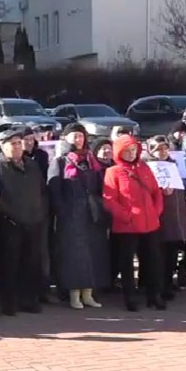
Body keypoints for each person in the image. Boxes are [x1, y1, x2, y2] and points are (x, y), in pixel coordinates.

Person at [48, 123, 108, 310]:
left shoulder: (91, 160)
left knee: (92, 253)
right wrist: (63, 211)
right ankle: (74, 295)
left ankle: (88, 294)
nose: (78, 139)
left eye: (81, 136)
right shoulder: (60, 161)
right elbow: (54, 189)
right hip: (71, 215)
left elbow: (100, 186)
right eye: (74, 136)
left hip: (92, 214)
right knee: (74, 256)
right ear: (66, 138)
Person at [0, 127, 49, 316]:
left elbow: (41, 190)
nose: (16, 147)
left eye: (18, 143)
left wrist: (40, 212)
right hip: (10, 224)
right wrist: (12, 215)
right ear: (2, 146)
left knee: (31, 263)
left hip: (34, 223)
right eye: (12, 144)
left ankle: (29, 300)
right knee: (9, 265)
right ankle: (9, 302)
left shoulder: (31, 165)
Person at [104, 134, 165, 311]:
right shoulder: (113, 172)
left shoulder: (144, 168)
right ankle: (130, 297)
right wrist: (127, 216)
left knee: (153, 261)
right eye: (127, 151)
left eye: (133, 150)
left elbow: (156, 191)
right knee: (127, 264)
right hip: (127, 226)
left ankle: (154, 295)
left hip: (150, 223)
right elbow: (109, 199)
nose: (131, 154)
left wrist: (156, 211)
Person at [147, 137, 186, 303]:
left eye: (164, 148)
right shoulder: (148, 167)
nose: (162, 152)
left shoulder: (174, 165)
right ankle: (156, 287)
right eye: (158, 149)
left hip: (174, 217)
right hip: (157, 217)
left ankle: (168, 284)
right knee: (158, 255)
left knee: (171, 254)